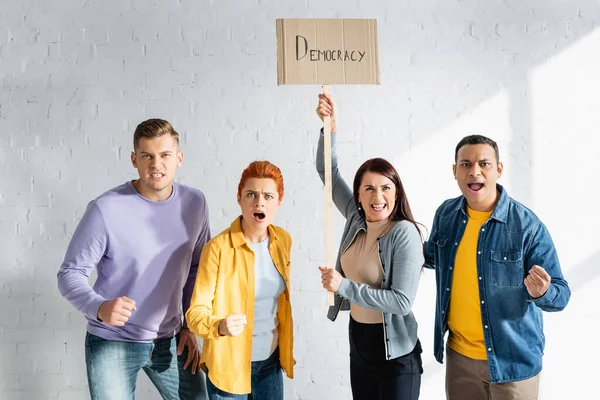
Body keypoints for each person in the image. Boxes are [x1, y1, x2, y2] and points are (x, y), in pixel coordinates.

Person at [57, 118, 210, 399]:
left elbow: (197, 268)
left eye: (164, 155)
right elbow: (70, 273)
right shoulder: (105, 209)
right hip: (113, 342)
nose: (156, 164)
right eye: (146, 156)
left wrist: (189, 325)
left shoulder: (195, 203)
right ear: (134, 160)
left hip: (171, 339)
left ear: (179, 158)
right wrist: (99, 307)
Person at [424, 134, 571, 400]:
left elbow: (561, 295)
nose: (474, 171)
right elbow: (429, 257)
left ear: (499, 170)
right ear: (454, 170)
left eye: (484, 163)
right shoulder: (446, 215)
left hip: (513, 362)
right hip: (459, 360)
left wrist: (543, 292)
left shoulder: (527, 226)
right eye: (466, 164)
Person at [316, 93, 424, 400]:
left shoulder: (403, 233)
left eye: (386, 187)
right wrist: (329, 129)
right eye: (369, 188)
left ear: (396, 192)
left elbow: (401, 302)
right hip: (359, 342)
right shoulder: (355, 217)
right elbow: (327, 172)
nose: (378, 196)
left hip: (396, 353)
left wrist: (344, 287)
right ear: (359, 197)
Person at [186, 160, 294, 400]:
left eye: (268, 195)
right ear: (239, 199)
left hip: (270, 362)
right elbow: (195, 313)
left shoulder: (282, 241)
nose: (259, 202)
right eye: (251, 194)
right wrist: (219, 325)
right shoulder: (217, 248)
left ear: (278, 201)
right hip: (229, 366)